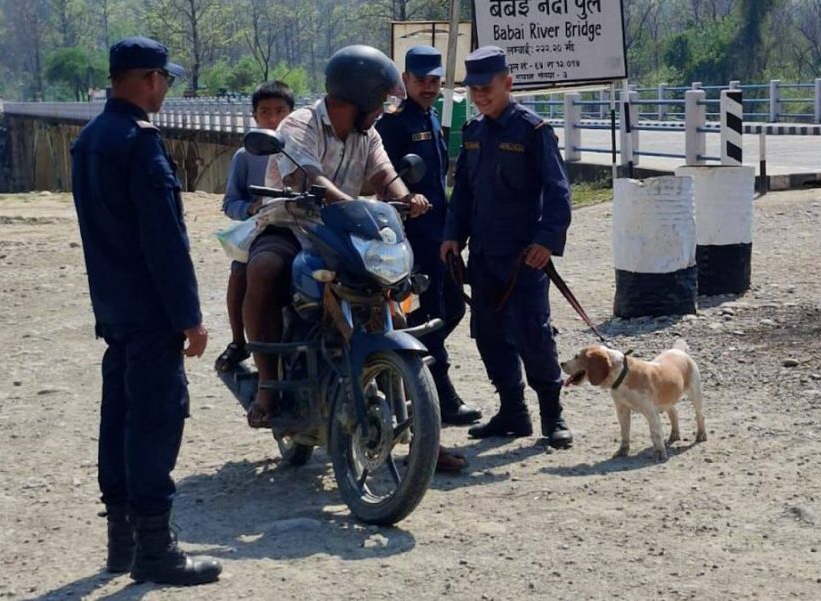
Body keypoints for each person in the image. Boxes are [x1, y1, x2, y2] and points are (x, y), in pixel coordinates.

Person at [70, 36, 221, 585]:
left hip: (113, 306)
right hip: (151, 310)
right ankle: (155, 549)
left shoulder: (90, 140)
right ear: (150, 79)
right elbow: (165, 242)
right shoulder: (139, 143)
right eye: (165, 79)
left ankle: (122, 542)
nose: (165, 90)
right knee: (155, 420)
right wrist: (189, 317)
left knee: (118, 418)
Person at [243, 44, 431, 428]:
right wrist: (351, 202)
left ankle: (422, 421)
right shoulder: (299, 125)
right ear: (360, 96)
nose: (382, 110)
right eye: (380, 101)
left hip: (344, 229)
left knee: (389, 289)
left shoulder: (368, 133)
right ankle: (267, 383)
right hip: (291, 225)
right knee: (264, 269)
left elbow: (384, 174)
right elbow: (308, 176)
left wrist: (406, 197)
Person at [441, 46, 574, 450]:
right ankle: (512, 411)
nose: (480, 96)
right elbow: (464, 192)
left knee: (533, 333)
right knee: (488, 334)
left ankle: (553, 415)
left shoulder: (533, 131)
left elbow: (558, 191)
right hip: (483, 255)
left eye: (487, 88)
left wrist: (546, 241)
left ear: (508, 84)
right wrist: (452, 235)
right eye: (474, 89)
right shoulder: (473, 132)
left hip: (523, 257)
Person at [375, 46, 482, 429]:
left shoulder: (432, 117)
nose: (429, 87)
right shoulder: (394, 123)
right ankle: (441, 396)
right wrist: (406, 197)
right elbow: (382, 176)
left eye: (435, 81)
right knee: (436, 312)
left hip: (439, 234)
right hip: (412, 236)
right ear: (405, 79)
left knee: (452, 308)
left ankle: (399, 360)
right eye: (421, 80)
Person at [214, 81, 295, 373]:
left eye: (280, 111)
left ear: (293, 113)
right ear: (254, 116)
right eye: (265, 112)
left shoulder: (303, 148)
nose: (273, 119)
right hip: (262, 228)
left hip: (301, 226)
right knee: (240, 272)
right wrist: (251, 208)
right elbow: (230, 203)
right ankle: (239, 342)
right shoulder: (245, 156)